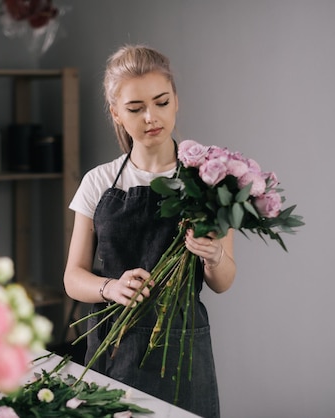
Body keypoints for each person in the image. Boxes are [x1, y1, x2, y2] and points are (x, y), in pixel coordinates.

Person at [63, 44, 236, 418]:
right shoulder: (99, 181)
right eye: (135, 108)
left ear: (176, 101)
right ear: (116, 113)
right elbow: (72, 277)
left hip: (182, 351)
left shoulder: (208, 181)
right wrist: (110, 287)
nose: (150, 117)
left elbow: (223, 282)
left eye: (161, 102)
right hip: (111, 347)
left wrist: (215, 256)